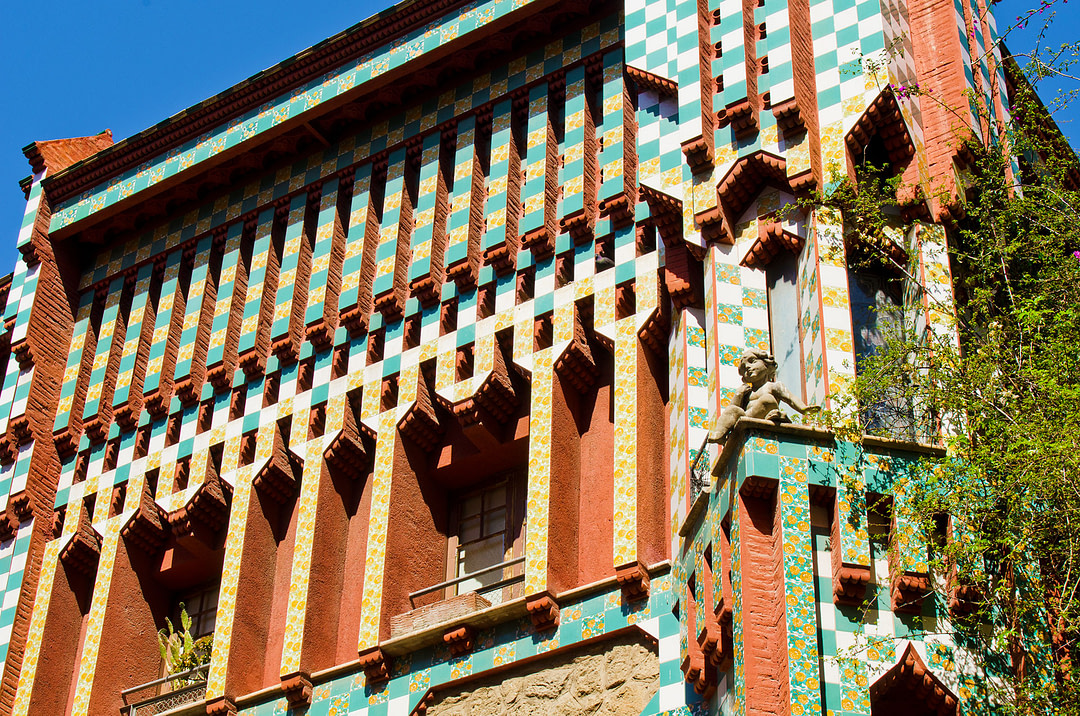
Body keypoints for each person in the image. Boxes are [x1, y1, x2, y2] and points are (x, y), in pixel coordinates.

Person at [707, 348, 820, 443]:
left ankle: (773, 416)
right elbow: (733, 410)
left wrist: (803, 409)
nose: (748, 368)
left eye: (752, 361)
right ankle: (719, 434)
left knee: (767, 399)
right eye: (744, 368)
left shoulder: (773, 386)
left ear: (766, 364)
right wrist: (738, 395)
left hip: (764, 414)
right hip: (746, 417)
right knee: (732, 409)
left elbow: (791, 398)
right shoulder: (747, 392)